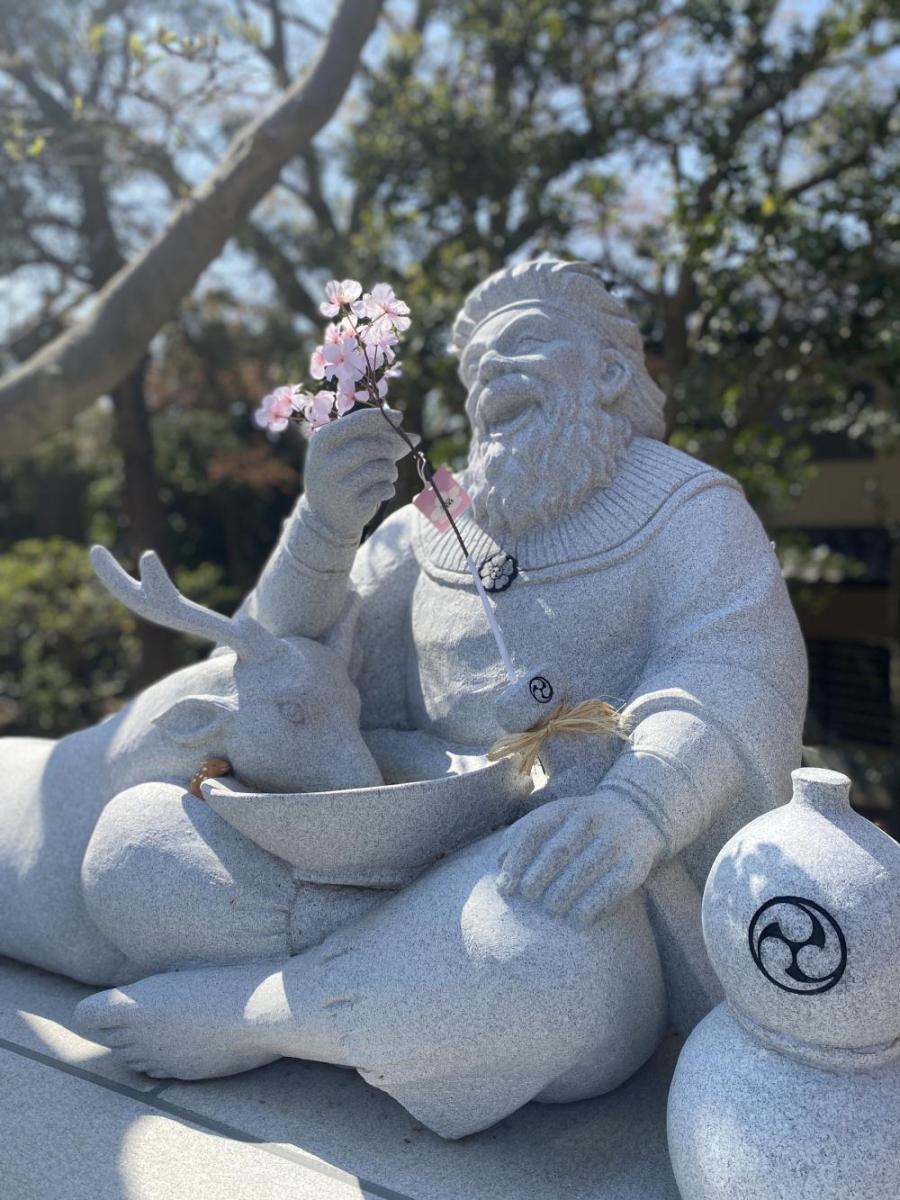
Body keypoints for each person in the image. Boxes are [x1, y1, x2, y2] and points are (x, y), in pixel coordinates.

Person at [77, 260, 807, 1138]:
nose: (493, 373)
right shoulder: (439, 523)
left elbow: (734, 667)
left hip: (565, 887)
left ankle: (249, 1016)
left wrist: (638, 809)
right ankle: (376, 998)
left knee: (540, 966)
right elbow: (274, 665)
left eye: (527, 344)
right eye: (476, 367)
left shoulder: (689, 508)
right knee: (136, 846)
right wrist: (321, 529)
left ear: (611, 371)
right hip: (390, 856)